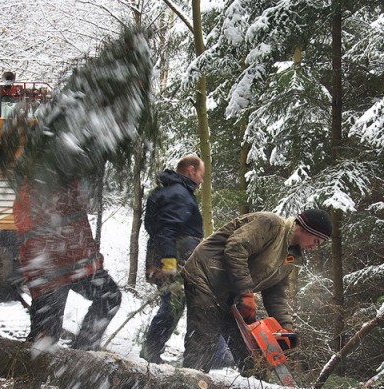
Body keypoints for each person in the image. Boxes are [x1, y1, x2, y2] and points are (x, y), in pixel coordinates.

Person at [181, 208, 332, 372]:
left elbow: (276, 295)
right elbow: (236, 249)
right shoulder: (270, 224)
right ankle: (187, 388)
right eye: (316, 240)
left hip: (232, 292)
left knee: (251, 351)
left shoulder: (291, 256)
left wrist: (286, 328)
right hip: (206, 275)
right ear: (304, 228)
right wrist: (246, 292)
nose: (314, 247)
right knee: (204, 338)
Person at [13, 179, 121, 351]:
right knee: (46, 335)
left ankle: (82, 356)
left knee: (109, 296)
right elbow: (34, 226)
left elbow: (77, 222)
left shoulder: (67, 179)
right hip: (51, 265)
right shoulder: (42, 183)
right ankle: (35, 371)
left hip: (75, 261)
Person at [141, 155, 205, 364]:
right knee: (172, 305)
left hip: (174, 256)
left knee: (174, 304)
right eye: (201, 175)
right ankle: (151, 353)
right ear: (191, 170)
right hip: (172, 258)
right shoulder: (178, 193)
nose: (202, 181)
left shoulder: (174, 191)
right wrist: (169, 261)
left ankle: (152, 351)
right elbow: (166, 229)